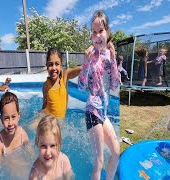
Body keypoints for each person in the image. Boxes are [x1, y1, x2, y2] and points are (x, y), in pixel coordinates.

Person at [78, 10, 120, 180]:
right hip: (92, 111)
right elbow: (81, 86)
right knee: (99, 160)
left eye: (100, 30)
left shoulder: (109, 56)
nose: (97, 35)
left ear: (107, 33)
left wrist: (115, 59)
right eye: (94, 32)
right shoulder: (90, 57)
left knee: (116, 152)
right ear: (91, 36)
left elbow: (115, 84)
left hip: (103, 113)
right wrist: (86, 63)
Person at [0, 92, 32, 176]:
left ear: (19, 116)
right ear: (1, 119)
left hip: (22, 164)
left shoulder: (22, 133)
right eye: (6, 118)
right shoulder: (0, 140)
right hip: (10, 170)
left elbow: (31, 153)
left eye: (13, 117)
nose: (10, 123)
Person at [42, 48, 82, 119]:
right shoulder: (45, 86)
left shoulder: (64, 77)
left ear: (61, 66)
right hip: (49, 122)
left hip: (61, 122)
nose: (54, 68)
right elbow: (45, 105)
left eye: (57, 64)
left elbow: (77, 70)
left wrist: (87, 66)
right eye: (50, 64)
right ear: (47, 66)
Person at [29, 115, 73, 180]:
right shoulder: (35, 173)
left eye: (52, 146)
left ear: (59, 144)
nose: (48, 152)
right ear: (37, 144)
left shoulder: (64, 161)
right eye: (43, 146)